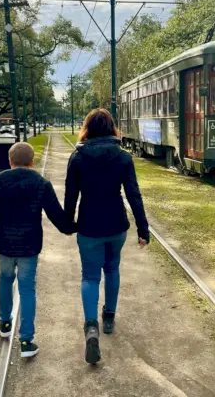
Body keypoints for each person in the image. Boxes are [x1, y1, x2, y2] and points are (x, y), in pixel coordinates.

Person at [64, 108, 150, 365]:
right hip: (116, 226)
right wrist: (143, 230)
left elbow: (71, 196)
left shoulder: (77, 157)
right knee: (112, 270)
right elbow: (134, 196)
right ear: (112, 127)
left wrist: (69, 223)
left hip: (89, 226)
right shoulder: (123, 158)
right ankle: (109, 317)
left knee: (90, 276)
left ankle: (91, 328)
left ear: (87, 128)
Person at [0, 142, 75, 358]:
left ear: (10, 161)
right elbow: (55, 213)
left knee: (5, 279)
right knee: (27, 289)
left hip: (4, 245)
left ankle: (4, 322)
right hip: (29, 246)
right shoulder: (40, 183)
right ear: (32, 161)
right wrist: (69, 229)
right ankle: (27, 340)